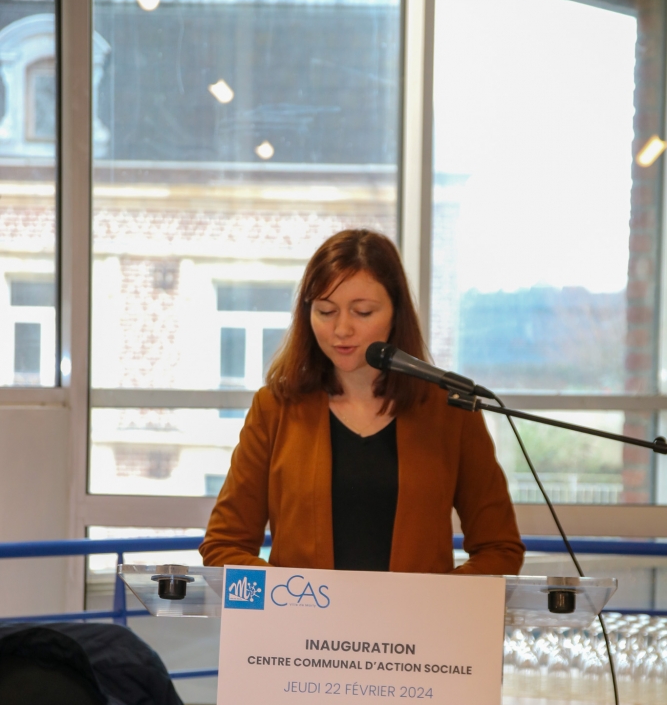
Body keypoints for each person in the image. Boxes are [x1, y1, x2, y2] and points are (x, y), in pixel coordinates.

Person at [200, 229, 524, 575]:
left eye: (363, 312)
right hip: (302, 611)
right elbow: (224, 545)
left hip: (415, 612)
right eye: (325, 311)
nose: (342, 329)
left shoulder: (451, 411)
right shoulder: (276, 408)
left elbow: (499, 548)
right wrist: (287, 594)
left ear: (396, 313)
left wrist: (438, 599)